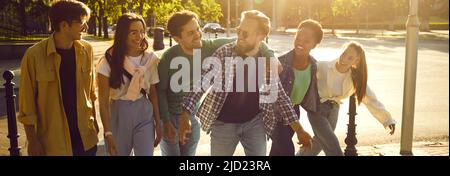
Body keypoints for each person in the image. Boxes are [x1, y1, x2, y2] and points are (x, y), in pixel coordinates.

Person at [180, 10, 312, 156]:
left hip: (254, 123)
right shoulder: (224, 53)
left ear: (261, 35)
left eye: (245, 33)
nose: (239, 37)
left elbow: (280, 96)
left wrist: (299, 130)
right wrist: (185, 114)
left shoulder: (266, 62)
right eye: (239, 31)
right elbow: (201, 84)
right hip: (223, 124)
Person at [158, 10, 274, 156]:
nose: (198, 35)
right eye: (190, 33)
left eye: (198, 29)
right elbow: (160, 91)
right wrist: (166, 120)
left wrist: (270, 57)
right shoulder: (169, 57)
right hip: (170, 114)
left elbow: (254, 41)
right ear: (176, 38)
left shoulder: (211, 47)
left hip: (190, 112)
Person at [18, 0, 98, 156]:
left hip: (86, 139)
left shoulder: (87, 50)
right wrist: (33, 141)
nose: (86, 27)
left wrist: (94, 122)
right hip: (53, 144)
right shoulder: (34, 56)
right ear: (64, 25)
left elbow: (91, 92)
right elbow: (27, 105)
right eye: (81, 22)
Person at [298, 41, 396, 156]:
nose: (344, 59)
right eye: (344, 54)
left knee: (319, 142)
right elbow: (302, 78)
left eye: (350, 58)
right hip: (316, 108)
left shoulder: (355, 79)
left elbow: (370, 99)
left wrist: (387, 119)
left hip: (334, 110)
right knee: (332, 144)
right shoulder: (323, 66)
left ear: (356, 62)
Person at [97, 13, 161, 156]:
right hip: (119, 114)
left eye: (142, 32)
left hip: (144, 112)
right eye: (133, 32)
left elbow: (153, 94)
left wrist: (158, 123)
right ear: (122, 34)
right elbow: (103, 102)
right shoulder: (108, 60)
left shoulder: (149, 59)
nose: (139, 36)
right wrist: (107, 132)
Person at [269, 19, 322, 156]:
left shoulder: (314, 65)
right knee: (287, 151)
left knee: (276, 152)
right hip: (275, 115)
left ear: (314, 45)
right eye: (298, 37)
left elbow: (312, 93)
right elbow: (276, 99)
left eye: (306, 41)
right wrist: (299, 130)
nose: (300, 42)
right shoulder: (280, 63)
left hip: (294, 112)